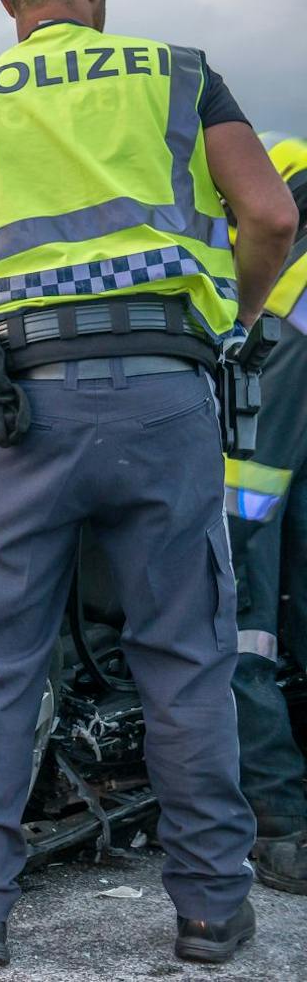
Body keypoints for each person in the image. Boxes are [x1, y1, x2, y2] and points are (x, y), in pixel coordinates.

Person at [0, 0, 299, 967]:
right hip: (165, 398)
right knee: (183, 652)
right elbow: (270, 218)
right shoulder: (178, 73)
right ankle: (211, 907)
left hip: (20, 412)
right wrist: (233, 323)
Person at [227, 133, 307, 894]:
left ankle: (280, 823)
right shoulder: (281, 160)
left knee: (238, 621)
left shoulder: (281, 293)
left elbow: (249, 486)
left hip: (257, 466)